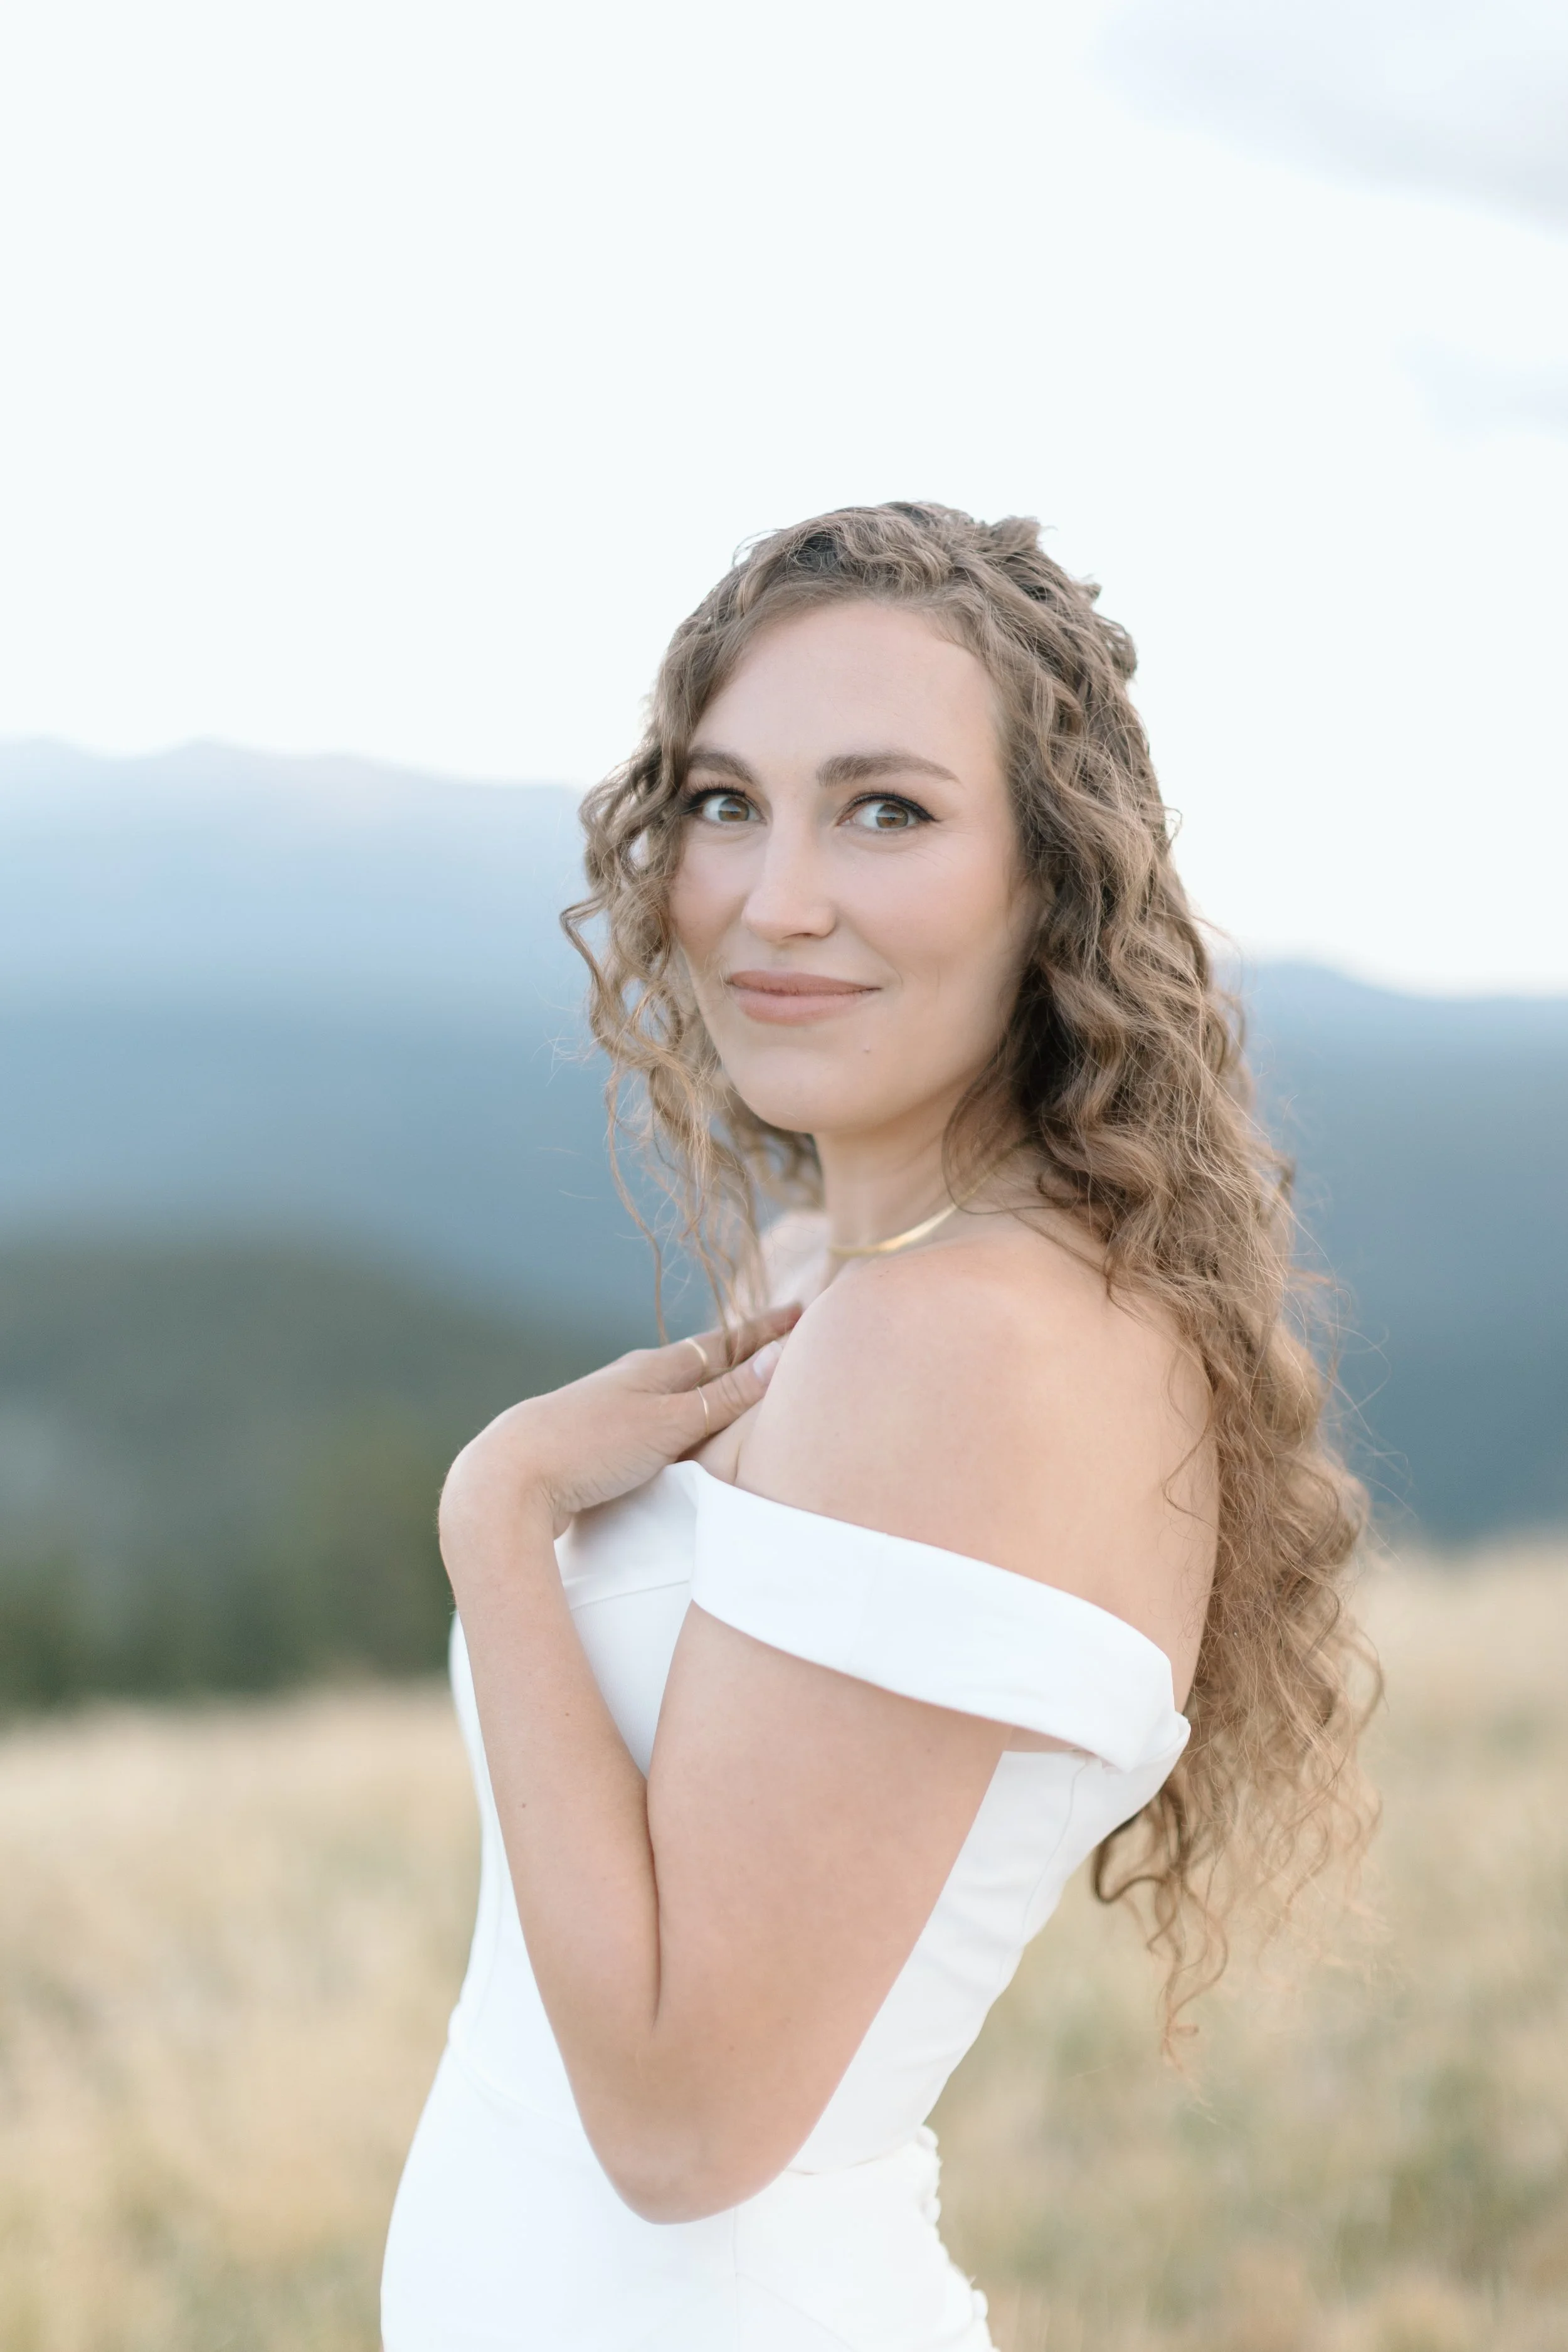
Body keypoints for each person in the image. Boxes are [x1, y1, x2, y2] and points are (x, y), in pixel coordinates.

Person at [381, 503, 1372, 2351]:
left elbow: (683, 2127)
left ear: (1051, 877)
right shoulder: (849, 1274)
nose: (775, 898)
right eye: (723, 801)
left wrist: (498, 1515)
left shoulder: (953, 1344)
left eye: (886, 809)